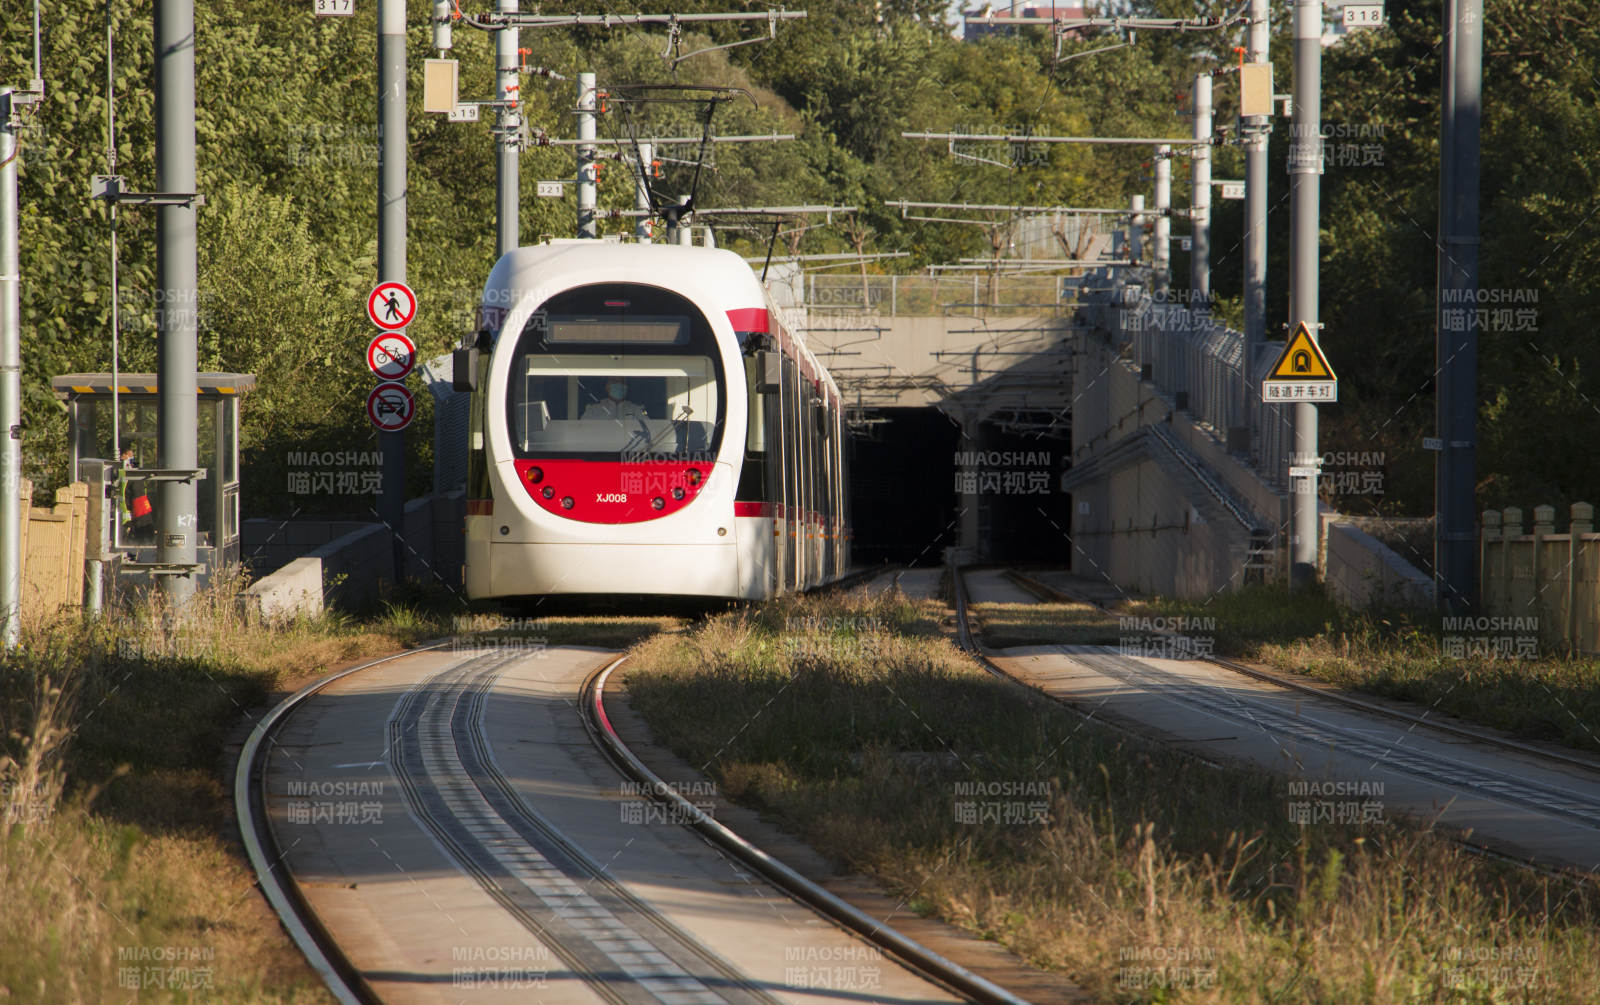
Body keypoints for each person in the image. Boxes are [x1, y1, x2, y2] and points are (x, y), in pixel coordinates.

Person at [582, 378, 647, 421]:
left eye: (622, 382)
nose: (619, 384)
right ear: (607, 386)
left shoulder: (637, 409)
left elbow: (649, 429)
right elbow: (582, 430)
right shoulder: (593, 409)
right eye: (614, 381)